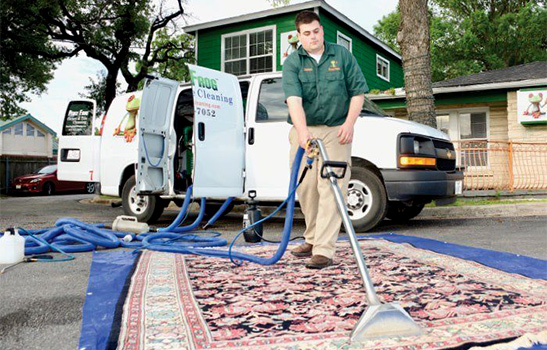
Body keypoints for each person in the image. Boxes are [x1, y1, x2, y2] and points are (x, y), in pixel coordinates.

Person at [282, 10, 368, 269]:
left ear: (322, 30)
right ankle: (312, 237)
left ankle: (323, 250)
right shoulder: (293, 62)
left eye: (316, 31)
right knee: (306, 188)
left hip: (335, 130)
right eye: (306, 33)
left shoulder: (342, 56)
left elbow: (357, 92)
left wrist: (349, 123)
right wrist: (302, 131)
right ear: (299, 36)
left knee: (332, 188)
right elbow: (294, 100)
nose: (313, 37)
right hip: (304, 130)